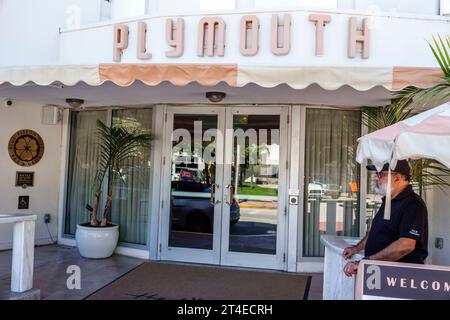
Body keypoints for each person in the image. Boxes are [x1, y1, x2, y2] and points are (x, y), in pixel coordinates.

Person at [342, 160, 428, 277]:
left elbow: (405, 245)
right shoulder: (389, 201)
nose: (376, 178)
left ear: (397, 177)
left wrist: (367, 261)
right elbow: (376, 232)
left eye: (381, 174)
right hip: (379, 273)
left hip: (398, 278)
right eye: (377, 174)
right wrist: (356, 248)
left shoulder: (413, 204)